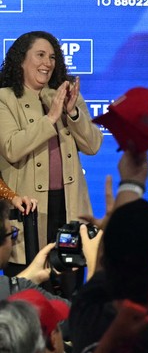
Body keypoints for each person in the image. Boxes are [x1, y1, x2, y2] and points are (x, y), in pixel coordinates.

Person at [0, 31, 103, 295]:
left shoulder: (65, 96)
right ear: (21, 60)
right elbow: (12, 148)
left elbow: (93, 145)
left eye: (53, 57)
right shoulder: (5, 99)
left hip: (69, 209)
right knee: (29, 295)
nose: (48, 62)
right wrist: (51, 118)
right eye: (41, 55)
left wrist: (72, 112)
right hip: (29, 212)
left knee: (68, 293)